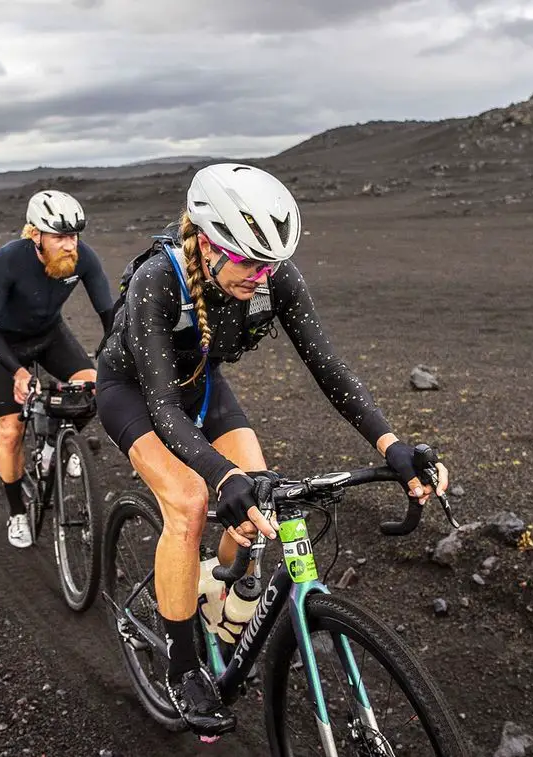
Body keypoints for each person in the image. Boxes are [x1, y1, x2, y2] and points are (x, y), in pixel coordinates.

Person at [93, 163, 450, 739]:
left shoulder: (274, 277)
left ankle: (216, 587)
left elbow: (328, 369)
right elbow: (162, 407)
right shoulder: (157, 281)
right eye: (250, 263)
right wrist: (219, 474)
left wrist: (392, 445)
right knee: (187, 504)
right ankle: (182, 670)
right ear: (208, 245)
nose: (261, 279)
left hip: (203, 382)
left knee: (260, 496)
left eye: (271, 265)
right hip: (134, 391)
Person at [0, 190, 115, 549]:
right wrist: (19, 373)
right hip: (7, 345)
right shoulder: (9, 260)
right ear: (36, 235)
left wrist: (118, 354)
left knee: (95, 387)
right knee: (10, 430)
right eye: (60, 237)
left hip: (51, 335)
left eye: (74, 236)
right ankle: (16, 512)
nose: (70, 245)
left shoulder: (82, 258)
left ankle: (56, 445)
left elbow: (108, 315)